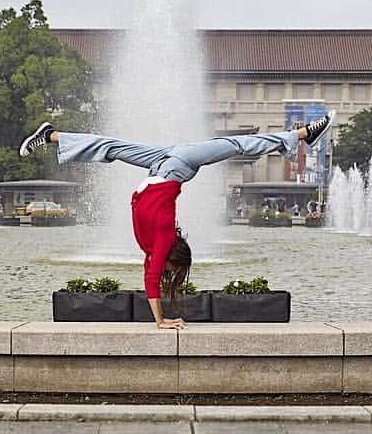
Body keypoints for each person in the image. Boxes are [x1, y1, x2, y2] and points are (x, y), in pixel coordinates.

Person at [19, 113, 335, 328]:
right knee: (236, 146)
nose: (162, 270)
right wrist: (161, 320)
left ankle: (52, 135)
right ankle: (302, 135)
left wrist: (161, 319)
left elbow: (150, 278)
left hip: (166, 165)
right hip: (173, 166)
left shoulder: (156, 247)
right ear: (171, 256)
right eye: (169, 268)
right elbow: (152, 280)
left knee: (111, 147)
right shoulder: (161, 242)